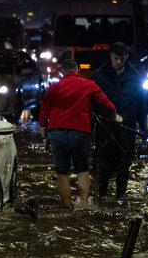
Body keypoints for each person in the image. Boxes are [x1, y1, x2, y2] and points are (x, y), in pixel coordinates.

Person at [39, 52, 118, 210]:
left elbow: (43, 113)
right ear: (77, 71)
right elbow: (108, 105)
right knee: (82, 169)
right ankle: (81, 204)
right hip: (80, 132)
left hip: (57, 133)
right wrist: (114, 116)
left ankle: (67, 206)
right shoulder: (89, 85)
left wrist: (44, 136)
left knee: (62, 171)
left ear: (62, 71)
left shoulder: (54, 87)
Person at [92, 42, 148, 201]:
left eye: (122, 59)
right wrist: (89, 127)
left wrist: (144, 127)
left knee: (124, 162)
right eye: (116, 58)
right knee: (103, 163)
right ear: (110, 56)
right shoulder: (100, 75)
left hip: (127, 126)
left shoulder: (135, 76)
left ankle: (120, 197)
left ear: (126, 58)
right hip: (105, 126)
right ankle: (101, 197)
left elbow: (141, 104)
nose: (119, 62)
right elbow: (92, 103)